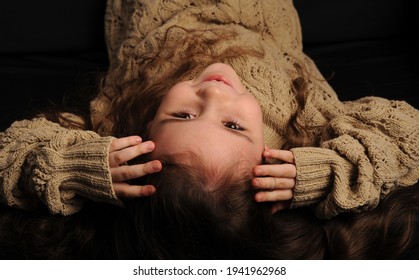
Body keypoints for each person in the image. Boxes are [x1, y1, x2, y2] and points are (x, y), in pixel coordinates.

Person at [0, 0, 418, 259]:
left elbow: (9, 154)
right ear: (269, 160)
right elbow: (408, 133)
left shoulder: (115, 125)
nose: (213, 96)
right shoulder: (303, 129)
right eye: (234, 125)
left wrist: (72, 169)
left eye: (181, 117)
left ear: (143, 134)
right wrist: (335, 171)